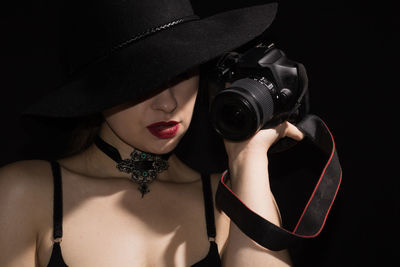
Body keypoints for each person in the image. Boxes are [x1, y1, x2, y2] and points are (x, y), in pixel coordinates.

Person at [0, 1, 305, 266]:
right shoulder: (26, 192)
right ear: (97, 90)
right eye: (142, 82)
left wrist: (247, 158)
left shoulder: (231, 199)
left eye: (183, 73)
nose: (168, 103)